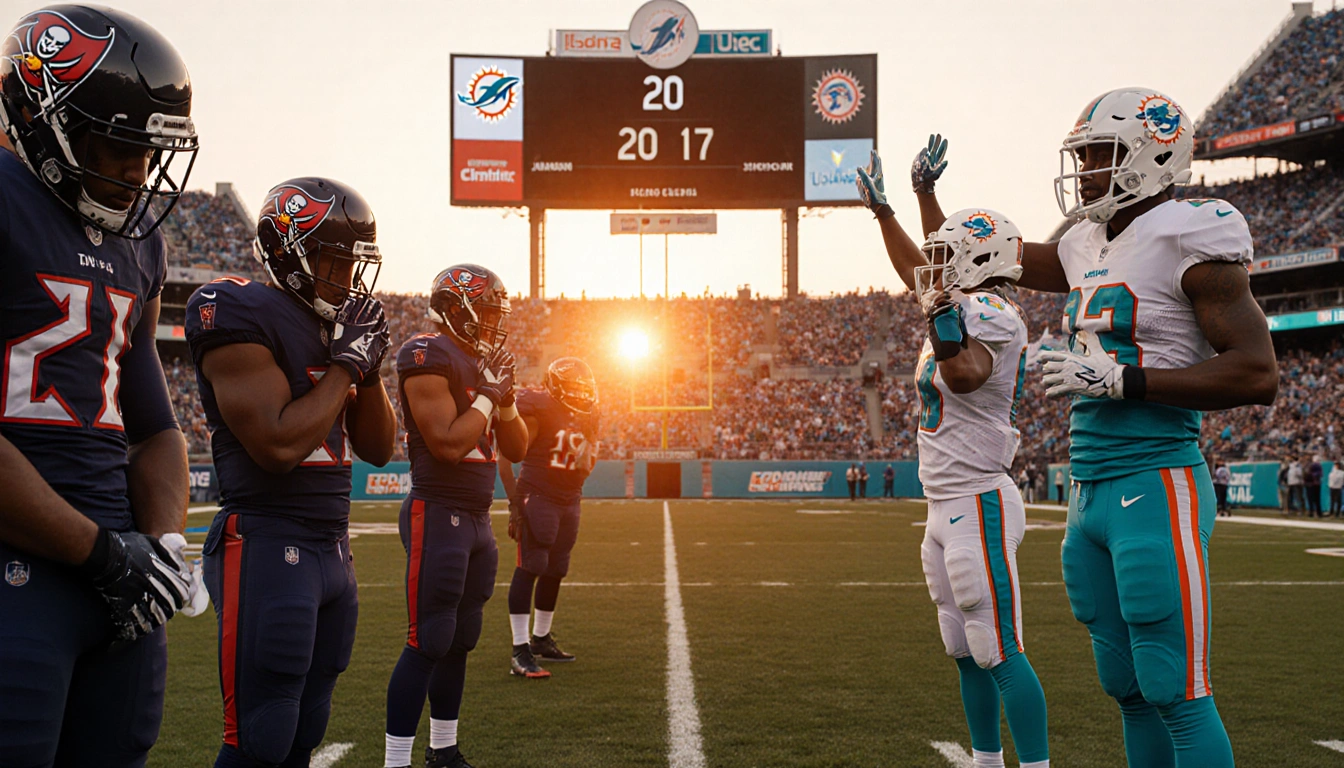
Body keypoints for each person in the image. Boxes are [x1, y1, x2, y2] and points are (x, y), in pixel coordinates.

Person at [920, 89, 1277, 767]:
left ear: (1153, 155)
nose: (1083, 171)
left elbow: (1257, 372)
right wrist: (923, 201)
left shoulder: (1191, 231)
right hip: (1089, 492)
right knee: (1129, 690)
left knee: (1177, 686)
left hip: (1156, 477)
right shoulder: (1085, 241)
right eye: (1082, 156)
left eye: (1097, 155)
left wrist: (1124, 381)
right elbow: (974, 261)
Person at [0, 6, 200, 765]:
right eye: (119, 146)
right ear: (38, 113)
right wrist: (102, 555)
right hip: (24, 574)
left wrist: (164, 544)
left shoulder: (138, 244)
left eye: (148, 153)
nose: (136, 175)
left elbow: (153, 426)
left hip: (117, 583)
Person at [187, 177, 396, 768]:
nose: (350, 279)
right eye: (337, 261)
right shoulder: (236, 309)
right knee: (262, 733)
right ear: (292, 252)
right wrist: (344, 368)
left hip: (333, 547)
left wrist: (370, 368)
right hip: (266, 540)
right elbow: (277, 445)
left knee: (307, 727)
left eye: (356, 265)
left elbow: (379, 448)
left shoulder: (337, 327)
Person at [858, 149, 1049, 768]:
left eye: (948, 256)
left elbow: (964, 374)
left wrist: (939, 310)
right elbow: (928, 265)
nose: (933, 265)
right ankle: (986, 762)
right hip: (944, 503)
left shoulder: (993, 313)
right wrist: (893, 208)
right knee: (963, 648)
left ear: (977, 263)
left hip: (979, 498)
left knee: (1000, 649)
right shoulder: (960, 302)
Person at [383, 265, 528, 768]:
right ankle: (396, 762)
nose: (493, 324)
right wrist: (489, 395)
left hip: (476, 517)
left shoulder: (482, 362)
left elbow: (517, 445)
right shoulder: (426, 352)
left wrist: (504, 401)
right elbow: (446, 443)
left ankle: (443, 750)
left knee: (461, 640)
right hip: (437, 507)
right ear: (457, 308)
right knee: (429, 640)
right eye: (487, 312)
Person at [499, 357, 601, 679]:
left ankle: (541, 638)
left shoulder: (589, 414)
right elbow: (506, 455)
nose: (582, 396)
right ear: (557, 387)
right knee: (531, 566)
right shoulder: (538, 407)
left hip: (569, 498)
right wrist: (515, 501)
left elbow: (586, 457)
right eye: (575, 389)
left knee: (556, 569)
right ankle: (520, 648)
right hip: (539, 495)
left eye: (585, 390)